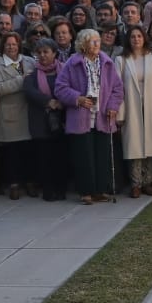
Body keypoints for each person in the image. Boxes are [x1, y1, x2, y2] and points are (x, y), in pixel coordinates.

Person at [54, 28, 123, 205]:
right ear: (83, 44)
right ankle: (86, 192)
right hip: (81, 117)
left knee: (102, 155)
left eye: (98, 40)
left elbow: (117, 88)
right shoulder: (72, 63)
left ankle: (101, 190)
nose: (97, 43)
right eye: (93, 41)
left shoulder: (107, 63)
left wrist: (113, 106)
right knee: (83, 156)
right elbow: (60, 88)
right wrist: (77, 99)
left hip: (102, 115)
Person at [116, 23, 152, 198]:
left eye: (139, 36)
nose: (136, 39)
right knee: (134, 146)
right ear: (128, 40)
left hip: (151, 106)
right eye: (132, 37)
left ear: (144, 38)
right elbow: (118, 88)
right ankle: (135, 183)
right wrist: (120, 113)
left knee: (149, 146)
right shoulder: (121, 60)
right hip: (131, 106)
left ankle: (148, 182)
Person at [0, 31, 36, 199]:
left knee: (29, 152)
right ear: (3, 46)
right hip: (10, 114)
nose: (11, 47)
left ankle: (30, 182)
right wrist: (22, 80)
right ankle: (14, 184)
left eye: (14, 44)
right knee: (12, 153)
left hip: (29, 112)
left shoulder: (30, 61)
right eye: (8, 44)